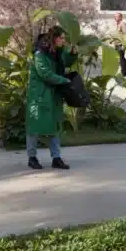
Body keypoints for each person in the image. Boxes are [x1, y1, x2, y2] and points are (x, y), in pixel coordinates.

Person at [25, 26, 75, 170]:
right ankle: (32, 157)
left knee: (55, 126)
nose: (64, 41)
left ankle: (56, 158)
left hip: (53, 95)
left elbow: (66, 62)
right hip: (39, 96)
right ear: (55, 39)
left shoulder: (57, 52)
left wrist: (72, 54)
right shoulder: (39, 54)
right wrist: (65, 81)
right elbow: (45, 74)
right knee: (34, 127)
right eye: (62, 38)